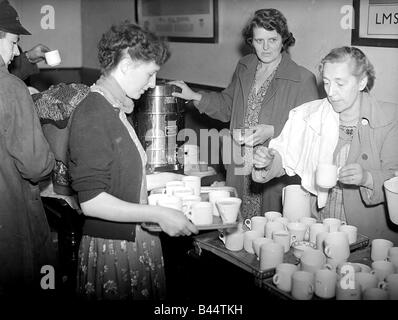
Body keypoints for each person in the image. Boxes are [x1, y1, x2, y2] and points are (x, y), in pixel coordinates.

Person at [69, 21, 198, 300]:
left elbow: (123, 177)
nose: (152, 83)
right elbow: (93, 201)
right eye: (150, 74)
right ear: (126, 64)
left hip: (132, 240)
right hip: (114, 248)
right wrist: (159, 214)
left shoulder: (115, 107)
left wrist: (175, 180)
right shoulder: (93, 113)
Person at [170, 9, 318, 219]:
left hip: (273, 171)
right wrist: (195, 95)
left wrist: (273, 130)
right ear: (251, 41)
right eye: (259, 41)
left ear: (283, 39)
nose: (266, 47)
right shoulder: (245, 67)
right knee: (239, 228)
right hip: (239, 165)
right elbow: (228, 106)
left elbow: (311, 136)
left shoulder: (302, 79)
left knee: (269, 234)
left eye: (272, 39)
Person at [252, 46, 398, 243]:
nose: (331, 92)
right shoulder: (312, 115)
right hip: (320, 223)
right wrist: (269, 160)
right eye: (327, 83)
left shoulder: (390, 118)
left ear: (362, 81)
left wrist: (367, 178)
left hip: (368, 234)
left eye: (340, 83)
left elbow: (394, 176)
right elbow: (287, 158)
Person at [0, 0, 56, 295]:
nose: (17, 51)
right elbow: (35, 165)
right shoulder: (11, 88)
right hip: (10, 220)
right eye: (13, 42)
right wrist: (51, 157)